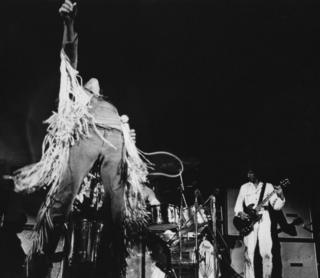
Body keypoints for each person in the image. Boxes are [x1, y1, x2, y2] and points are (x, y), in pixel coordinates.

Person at [11, 1, 149, 278]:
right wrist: (69, 24)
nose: (95, 83)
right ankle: (39, 264)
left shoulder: (109, 105)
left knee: (118, 213)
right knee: (61, 199)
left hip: (115, 139)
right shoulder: (77, 96)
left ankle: (113, 268)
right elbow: (69, 58)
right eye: (90, 83)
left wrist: (129, 141)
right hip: (86, 132)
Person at [234, 168, 285, 278]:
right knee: (249, 252)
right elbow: (238, 205)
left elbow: (276, 206)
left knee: (266, 252)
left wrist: (280, 195)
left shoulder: (268, 186)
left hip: (264, 218)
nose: (248, 175)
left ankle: (267, 276)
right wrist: (240, 213)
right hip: (249, 220)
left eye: (251, 172)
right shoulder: (244, 187)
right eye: (247, 173)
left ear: (257, 172)